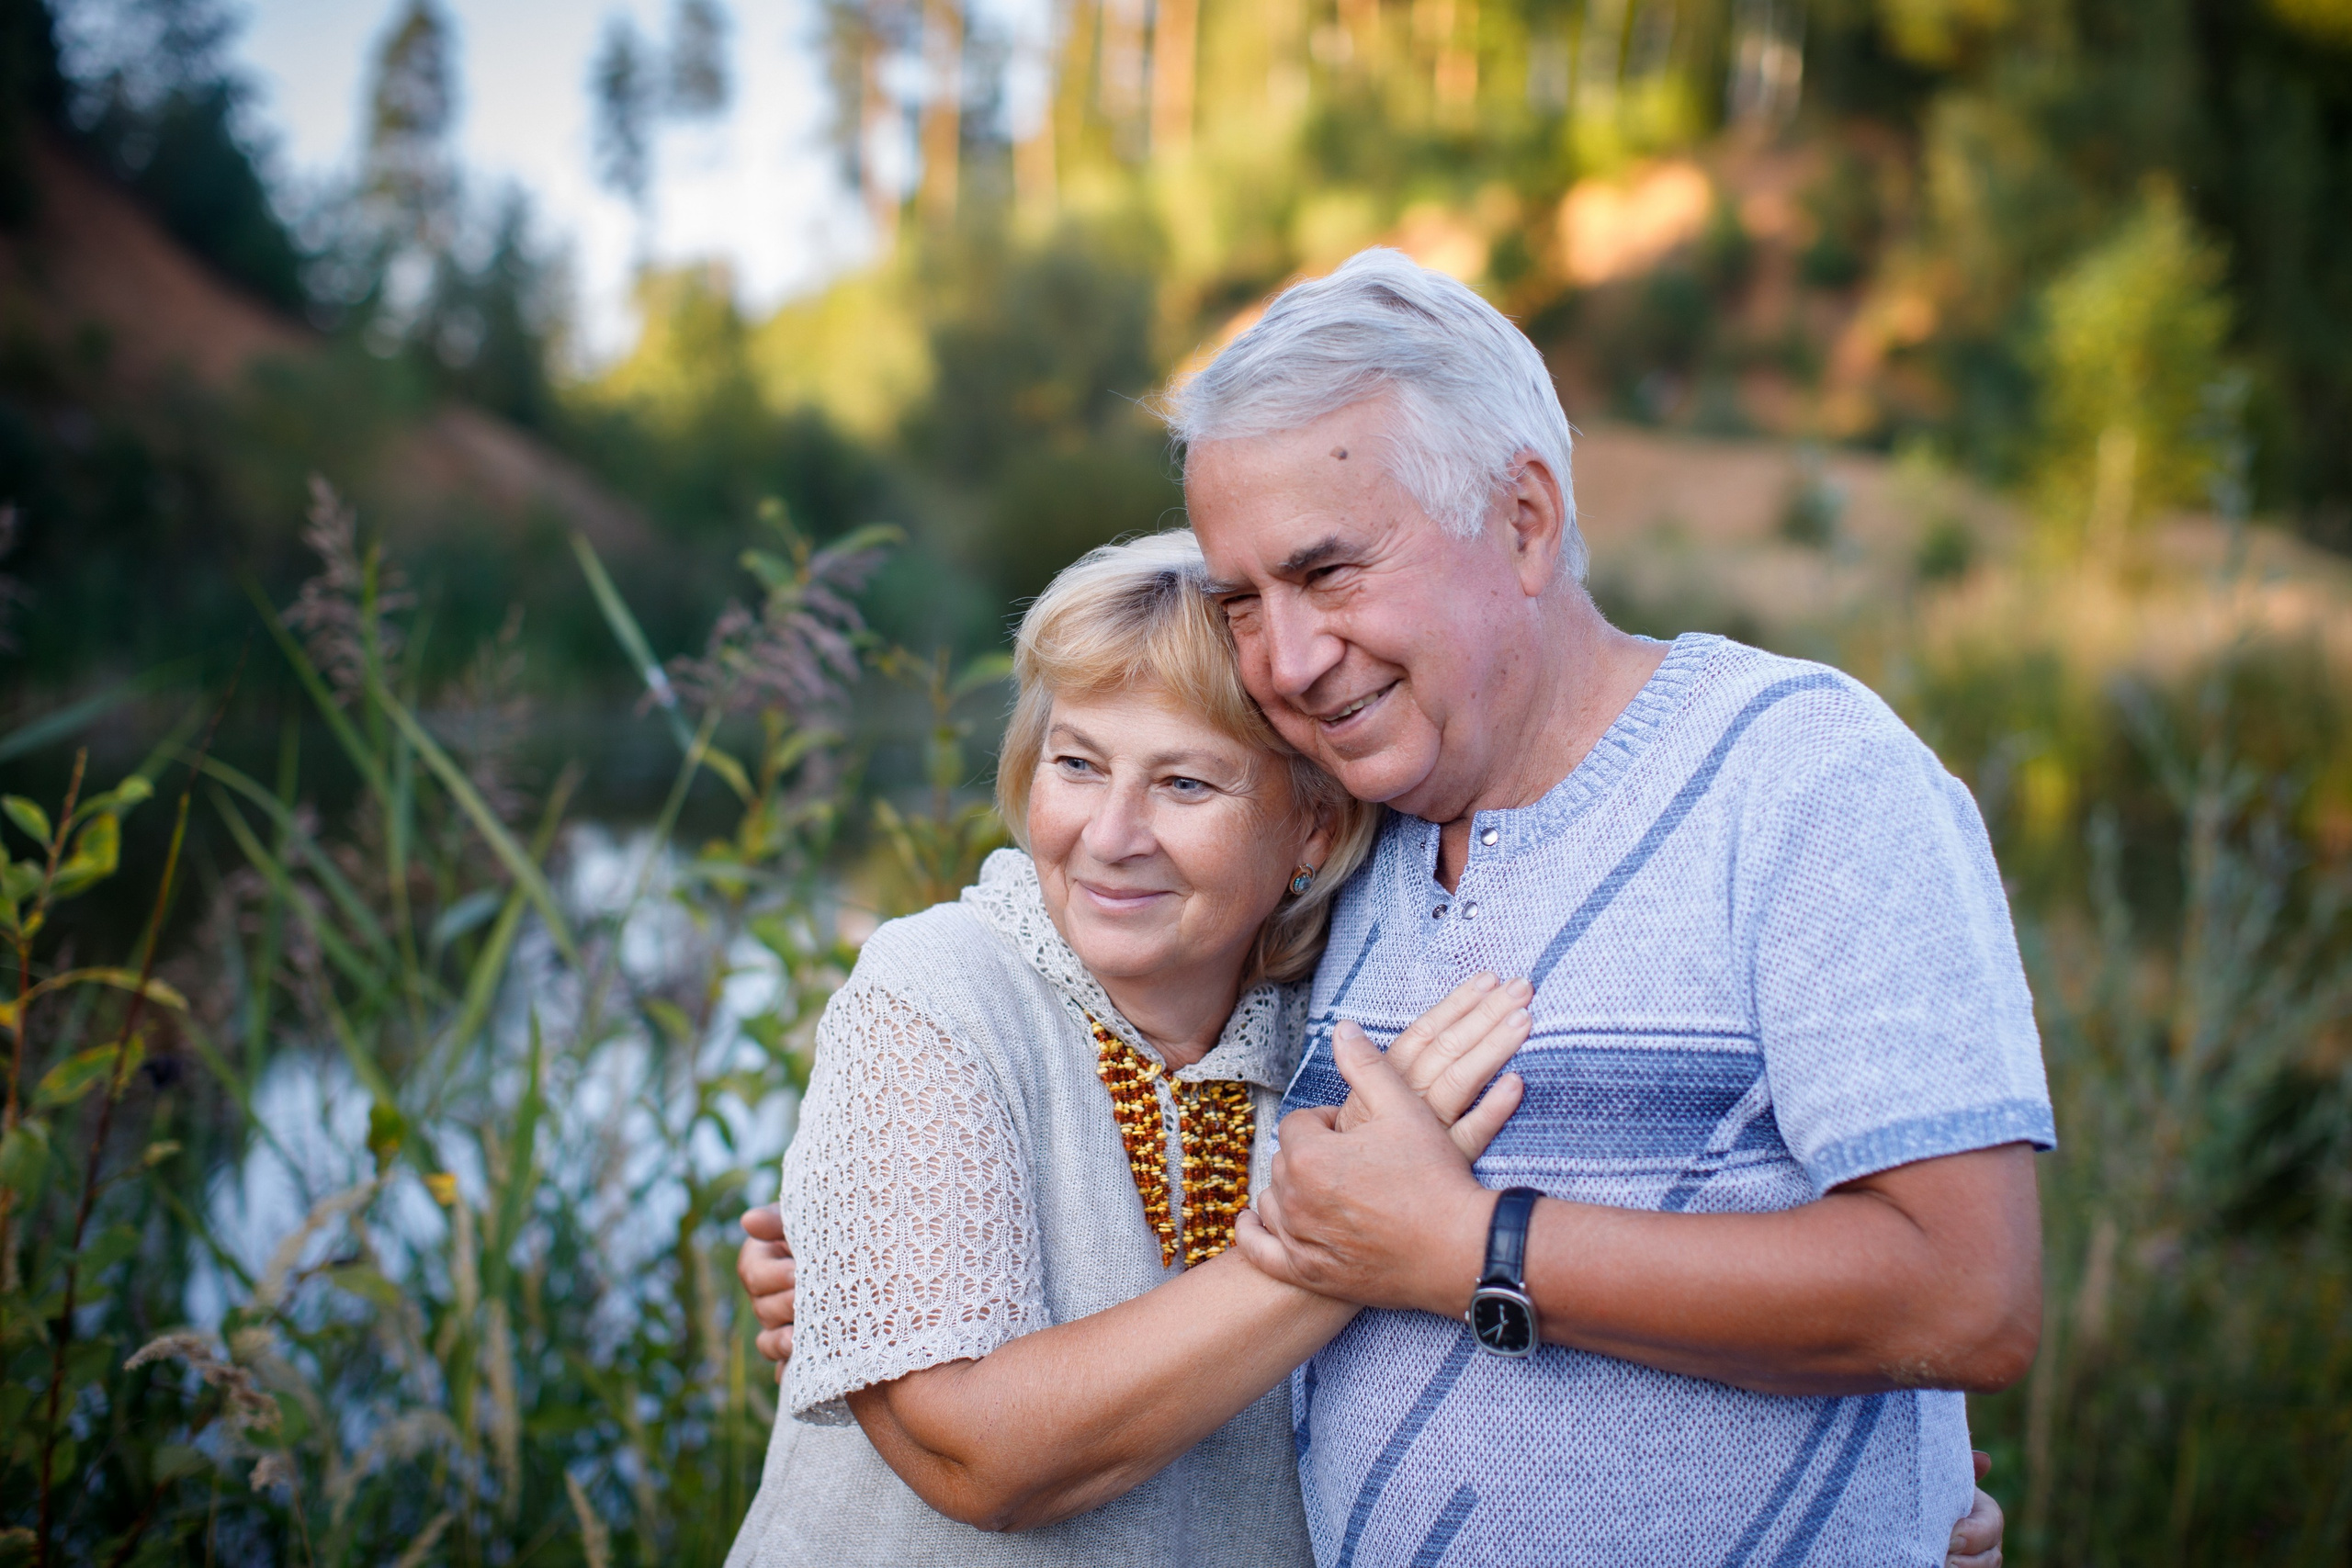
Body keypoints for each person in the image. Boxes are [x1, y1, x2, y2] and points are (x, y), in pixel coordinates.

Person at [742, 248, 2032, 1567]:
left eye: (1333, 571)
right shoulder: (1360, 855)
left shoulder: (1804, 775)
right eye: (1247, 599)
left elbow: (1967, 1292)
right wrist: (876, 1273)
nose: (1289, 659)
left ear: (1526, 520)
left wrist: (1473, 1248)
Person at [723, 533, 1543, 1567]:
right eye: (1076, 764)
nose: (1111, 834)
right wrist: (1354, 1239)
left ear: (1316, 834)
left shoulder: (1335, 1038)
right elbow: (980, 1457)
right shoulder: (939, 987)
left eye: (1185, 785)